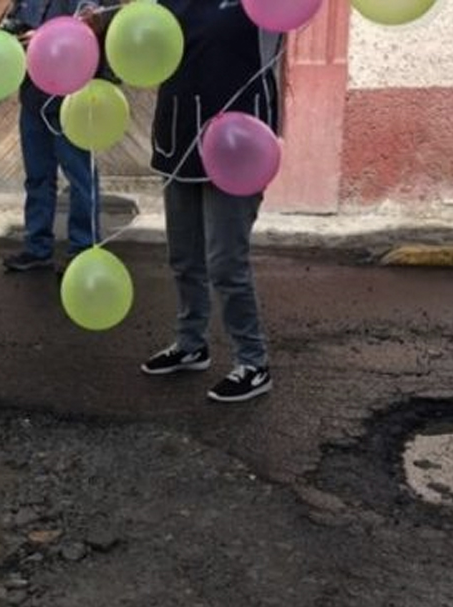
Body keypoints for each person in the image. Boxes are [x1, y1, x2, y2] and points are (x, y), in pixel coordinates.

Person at [140, 0, 280, 403]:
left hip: (239, 145)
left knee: (225, 262)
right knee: (184, 256)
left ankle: (253, 362)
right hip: (178, 136)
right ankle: (190, 343)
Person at [0, 0, 104, 273]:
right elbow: (9, 29)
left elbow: (93, 24)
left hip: (72, 98)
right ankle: (37, 249)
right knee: (37, 177)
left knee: (81, 177)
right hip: (33, 97)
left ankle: (83, 250)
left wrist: (43, 38)